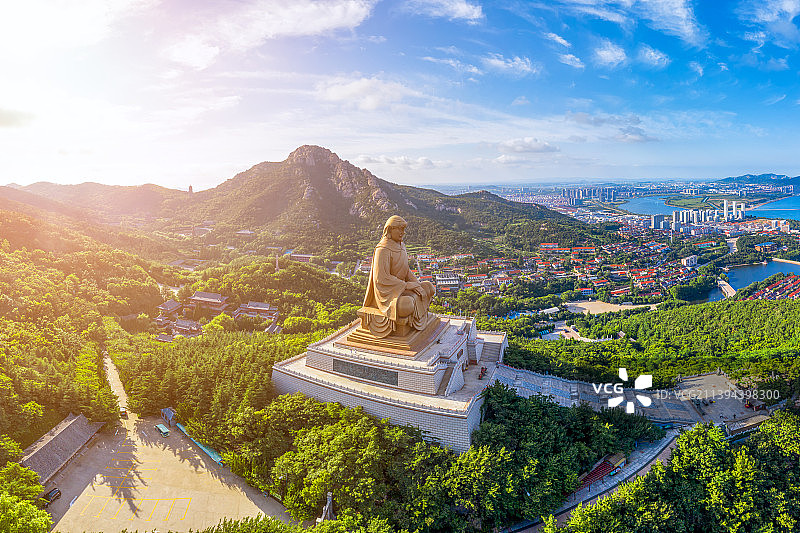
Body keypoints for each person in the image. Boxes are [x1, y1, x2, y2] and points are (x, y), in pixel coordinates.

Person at [361, 215, 436, 337]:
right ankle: (411, 313)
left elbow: (406, 270)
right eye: (400, 229)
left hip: (401, 287)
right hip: (388, 294)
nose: (403, 232)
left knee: (429, 287)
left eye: (403, 229)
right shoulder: (382, 249)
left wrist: (417, 285)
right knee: (407, 305)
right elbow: (381, 278)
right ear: (390, 229)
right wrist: (407, 285)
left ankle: (417, 313)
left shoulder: (402, 246)